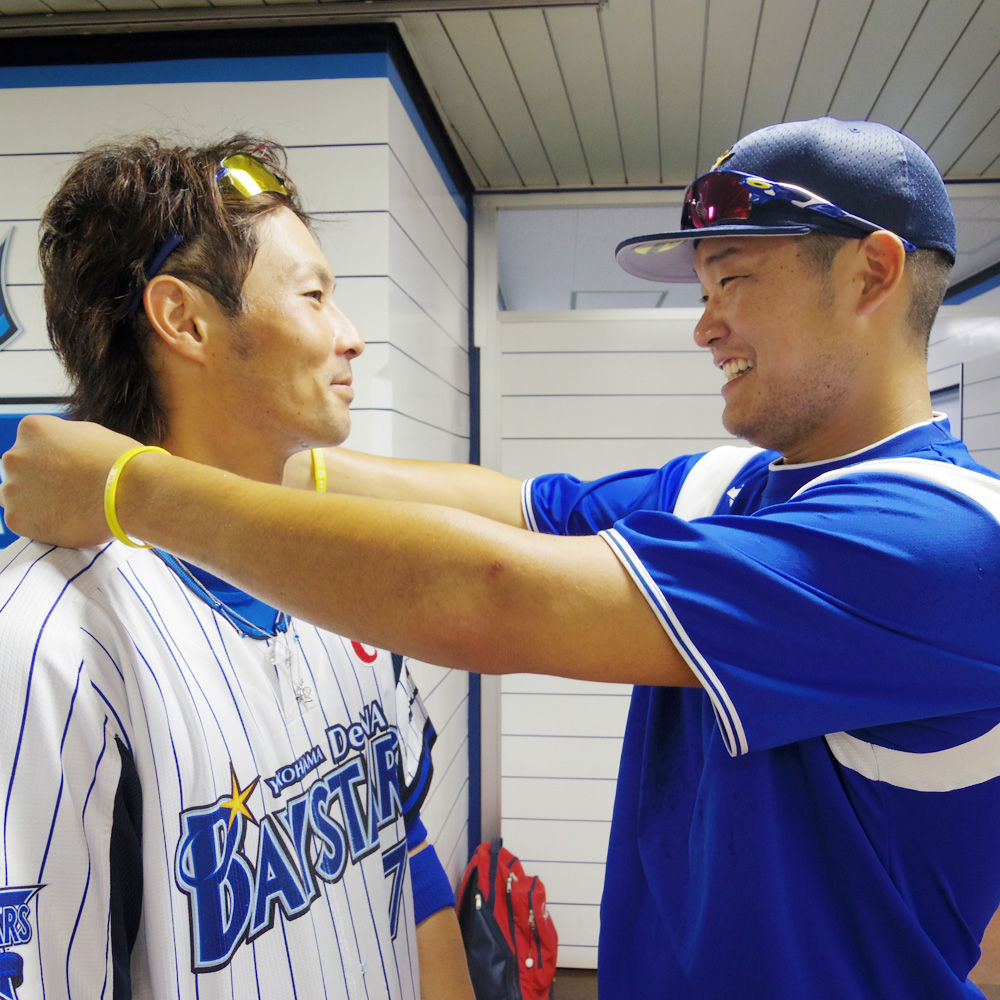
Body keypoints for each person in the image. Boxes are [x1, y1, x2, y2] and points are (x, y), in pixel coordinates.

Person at [4, 117, 1000, 998]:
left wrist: (131, 486)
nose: (704, 325)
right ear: (182, 321)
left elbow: (496, 593)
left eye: (731, 279)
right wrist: (252, 460)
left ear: (872, 273)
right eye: (704, 288)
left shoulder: (944, 540)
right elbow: (519, 511)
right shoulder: (731, 489)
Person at [0, 135, 473, 1000]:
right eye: (315, 296)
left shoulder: (345, 569)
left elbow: (409, 861)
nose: (352, 337)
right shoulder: (45, 640)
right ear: (184, 320)